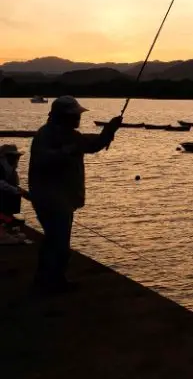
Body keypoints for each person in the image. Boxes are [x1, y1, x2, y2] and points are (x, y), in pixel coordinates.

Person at [28, 96, 122, 291]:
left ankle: (51, 279)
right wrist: (66, 152)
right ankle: (49, 282)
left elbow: (93, 145)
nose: (77, 118)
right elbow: (42, 159)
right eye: (74, 115)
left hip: (64, 197)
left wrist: (110, 129)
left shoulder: (72, 135)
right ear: (62, 116)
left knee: (55, 240)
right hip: (49, 197)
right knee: (58, 242)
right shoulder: (44, 135)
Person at [0, 144, 26, 245]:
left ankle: (4, 228)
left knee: (13, 195)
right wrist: (16, 190)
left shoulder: (11, 172)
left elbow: (13, 186)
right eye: (14, 157)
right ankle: (2, 234)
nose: (16, 160)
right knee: (9, 195)